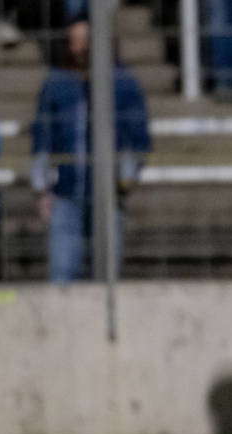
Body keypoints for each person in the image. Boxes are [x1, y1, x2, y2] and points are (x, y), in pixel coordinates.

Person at [30, 18, 151, 282]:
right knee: (62, 274)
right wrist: (41, 187)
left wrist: (125, 178)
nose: (82, 48)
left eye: (87, 41)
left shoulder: (123, 83)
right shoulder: (56, 83)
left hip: (107, 193)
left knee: (106, 275)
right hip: (65, 192)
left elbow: (138, 137)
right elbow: (42, 135)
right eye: (76, 41)